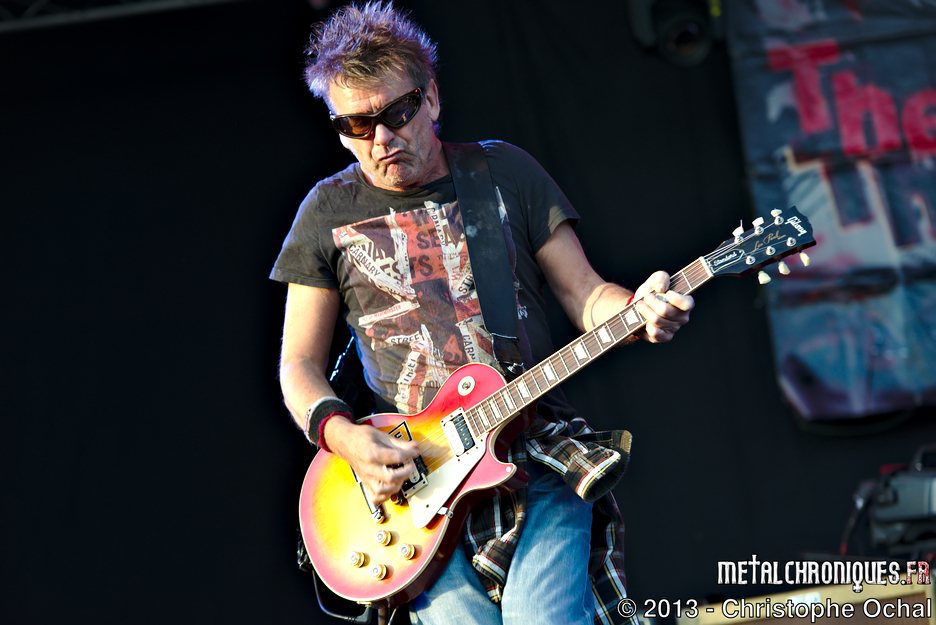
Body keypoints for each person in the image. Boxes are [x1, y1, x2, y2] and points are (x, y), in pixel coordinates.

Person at [271, 2, 694, 623]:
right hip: (415, 490)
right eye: (357, 125)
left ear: (431, 98)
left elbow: (586, 296)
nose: (381, 140)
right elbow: (298, 367)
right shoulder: (324, 212)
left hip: (534, 453)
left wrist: (638, 308)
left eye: (396, 114)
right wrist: (345, 437)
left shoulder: (503, 173)